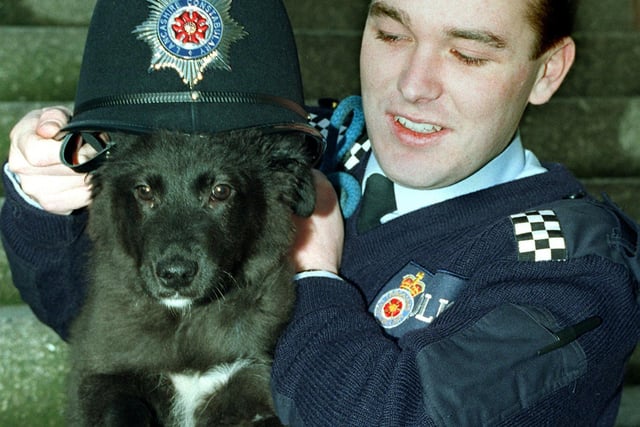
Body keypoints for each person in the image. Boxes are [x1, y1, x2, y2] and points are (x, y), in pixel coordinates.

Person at [2, 0, 639, 425]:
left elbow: (395, 414)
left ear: (548, 69)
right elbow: (91, 320)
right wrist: (45, 202)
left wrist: (315, 277)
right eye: (391, 34)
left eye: (469, 54)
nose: (412, 84)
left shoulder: (572, 270)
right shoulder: (296, 140)